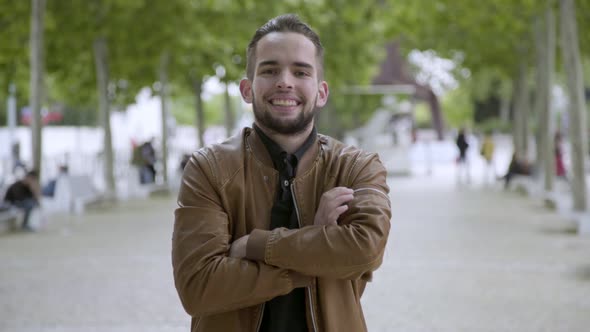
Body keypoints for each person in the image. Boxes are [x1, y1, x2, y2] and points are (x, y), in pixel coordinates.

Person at [172, 14, 391, 332]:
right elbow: (198, 287)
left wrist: (254, 246)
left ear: (321, 92)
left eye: (301, 71)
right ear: (247, 89)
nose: (285, 81)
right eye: (270, 70)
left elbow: (366, 248)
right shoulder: (209, 168)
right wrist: (317, 248)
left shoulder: (357, 167)